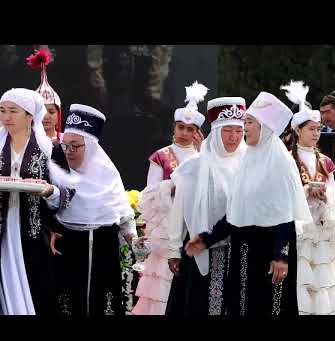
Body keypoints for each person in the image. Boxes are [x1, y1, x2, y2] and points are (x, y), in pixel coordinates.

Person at [185, 91, 312, 317]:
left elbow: (285, 213)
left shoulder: (279, 161)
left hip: (270, 253)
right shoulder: (249, 158)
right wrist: (206, 239)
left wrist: (281, 255)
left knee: (269, 307)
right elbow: (236, 213)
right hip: (243, 249)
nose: (245, 129)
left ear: (266, 127)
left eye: (250, 123)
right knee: (241, 306)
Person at [51, 104, 138, 316]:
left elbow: (124, 215)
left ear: (89, 146)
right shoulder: (55, 170)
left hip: (104, 250)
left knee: (104, 300)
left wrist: (135, 240)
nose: (68, 152)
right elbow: (46, 207)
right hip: (67, 248)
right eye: (65, 145)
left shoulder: (107, 175)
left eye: (75, 146)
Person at [166, 97, 247, 316]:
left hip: (241, 250)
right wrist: (174, 248)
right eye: (227, 130)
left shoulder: (249, 163)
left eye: (239, 131)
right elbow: (179, 209)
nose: (234, 137)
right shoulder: (195, 165)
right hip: (202, 247)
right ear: (216, 130)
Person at [132, 81, 208, 315]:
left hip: (195, 225)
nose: (185, 133)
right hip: (167, 229)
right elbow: (150, 194)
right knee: (162, 283)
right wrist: (173, 186)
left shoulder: (204, 156)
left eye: (190, 129)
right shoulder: (161, 156)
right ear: (173, 128)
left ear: (197, 132)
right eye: (181, 127)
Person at [0, 88, 75, 315]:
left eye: (13, 111)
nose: (6, 117)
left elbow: (68, 192)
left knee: (35, 286)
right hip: (3, 228)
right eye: (2, 111)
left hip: (32, 230)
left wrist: (49, 190)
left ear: (30, 116)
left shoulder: (49, 149)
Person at [281, 81, 335, 315]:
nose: (316, 133)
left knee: (322, 283)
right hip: (298, 231)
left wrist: (324, 196)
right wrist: (305, 192)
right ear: (297, 131)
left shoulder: (324, 161)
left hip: (319, 229)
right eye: (310, 128)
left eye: (318, 128)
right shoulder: (287, 160)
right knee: (299, 280)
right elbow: (283, 194)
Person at [27, 48, 63, 144]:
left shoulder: (67, 142)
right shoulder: (23, 142)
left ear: (58, 115)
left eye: (51, 112)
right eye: (41, 112)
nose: (46, 116)